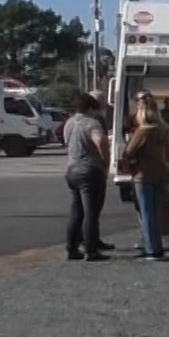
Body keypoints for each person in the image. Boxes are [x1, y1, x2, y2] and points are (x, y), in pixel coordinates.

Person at [119, 98, 169, 260]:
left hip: (144, 174)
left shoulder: (143, 131)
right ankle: (158, 246)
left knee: (146, 213)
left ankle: (151, 249)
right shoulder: (164, 129)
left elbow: (127, 153)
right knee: (155, 212)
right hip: (161, 172)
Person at [63, 93, 110, 261]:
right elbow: (100, 141)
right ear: (91, 108)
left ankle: (71, 248)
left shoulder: (71, 123)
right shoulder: (91, 123)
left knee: (76, 212)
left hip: (71, 169)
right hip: (89, 169)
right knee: (91, 212)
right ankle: (91, 250)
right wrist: (106, 161)